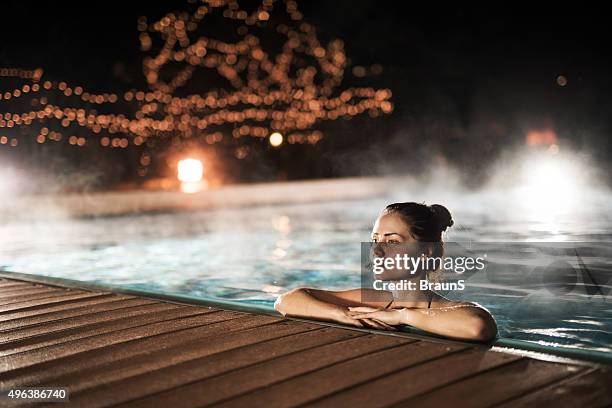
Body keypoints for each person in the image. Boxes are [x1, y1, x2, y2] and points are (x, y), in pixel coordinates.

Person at [274, 202, 497, 342]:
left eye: (391, 241)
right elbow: (286, 300)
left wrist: (401, 315)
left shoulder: (448, 309)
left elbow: (478, 326)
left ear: (425, 252)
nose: (376, 251)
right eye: (374, 240)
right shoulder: (374, 301)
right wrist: (340, 313)